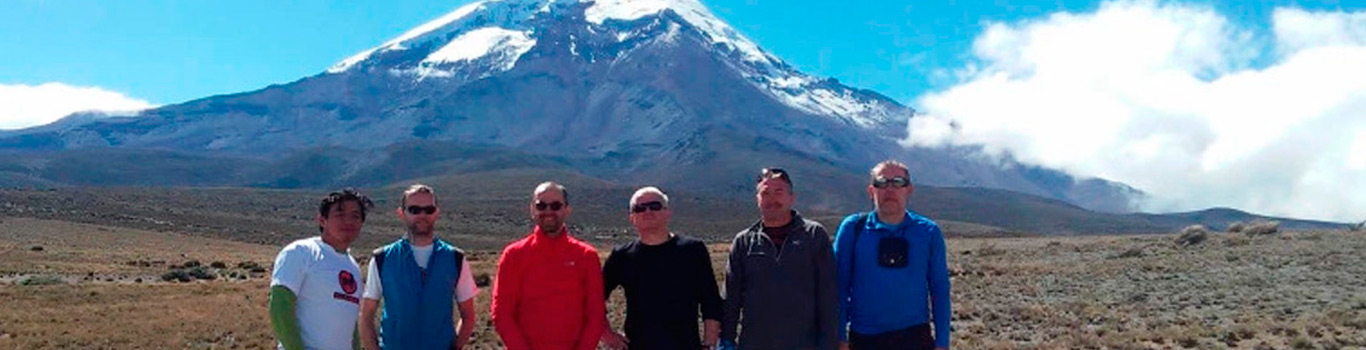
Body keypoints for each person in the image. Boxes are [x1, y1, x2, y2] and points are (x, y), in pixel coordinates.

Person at [834, 161, 951, 350]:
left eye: (897, 182)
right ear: (871, 191)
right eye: (882, 183)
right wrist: (840, 336)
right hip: (864, 337)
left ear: (909, 189)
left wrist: (942, 342)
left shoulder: (928, 232)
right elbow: (838, 286)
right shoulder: (853, 229)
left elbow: (940, 289)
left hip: (914, 337)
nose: (889, 189)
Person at [720, 168, 838, 350]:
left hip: (805, 344)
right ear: (757, 200)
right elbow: (731, 297)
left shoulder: (814, 235)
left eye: (779, 192)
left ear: (792, 197)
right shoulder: (744, 241)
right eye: (765, 193)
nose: (772, 199)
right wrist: (726, 340)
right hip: (754, 343)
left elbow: (828, 295)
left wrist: (829, 342)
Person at [600, 186, 722, 350]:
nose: (647, 211)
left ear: (667, 213)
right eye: (640, 208)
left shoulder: (692, 250)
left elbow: (710, 301)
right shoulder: (622, 256)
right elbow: (594, 298)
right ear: (632, 218)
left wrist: (709, 344)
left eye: (655, 206)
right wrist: (607, 335)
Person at [358, 184, 478, 350]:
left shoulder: (455, 258)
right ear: (402, 213)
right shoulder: (383, 258)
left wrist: (454, 348)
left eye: (428, 209)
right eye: (414, 210)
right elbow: (366, 316)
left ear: (436, 212)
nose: (422, 215)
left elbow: (468, 315)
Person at [492, 182, 606, 350]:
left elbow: (595, 315)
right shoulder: (514, 255)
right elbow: (502, 314)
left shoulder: (586, 256)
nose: (548, 211)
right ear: (532, 210)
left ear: (567, 210)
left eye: (555, 205)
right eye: (541, 205)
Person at [270, 188, 373, 350]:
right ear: (322, 220)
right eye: (340, 214)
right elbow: (280, 306)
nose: (348, 221)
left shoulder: (353, 267)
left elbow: (350, 324)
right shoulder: (301, 252)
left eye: (355, 216)